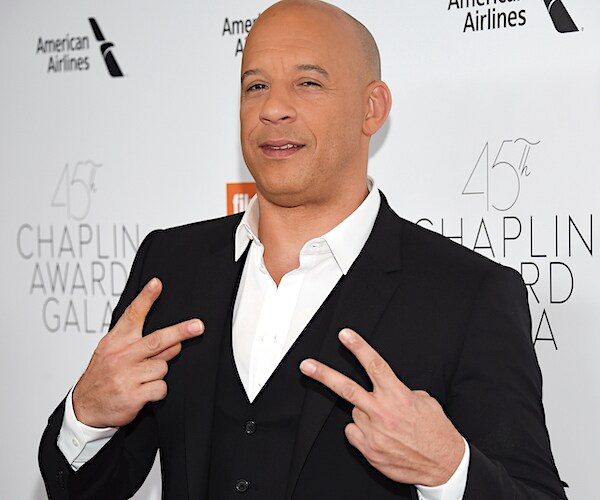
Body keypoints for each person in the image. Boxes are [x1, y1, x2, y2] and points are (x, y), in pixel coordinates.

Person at [39, 1, 567, 498]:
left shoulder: (468, 293)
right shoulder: (170, 264)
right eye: (255, 86)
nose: (272, 109)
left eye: (308, 83)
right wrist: (87, 415)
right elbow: (89, 488)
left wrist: (447, 469)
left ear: (372, 108)